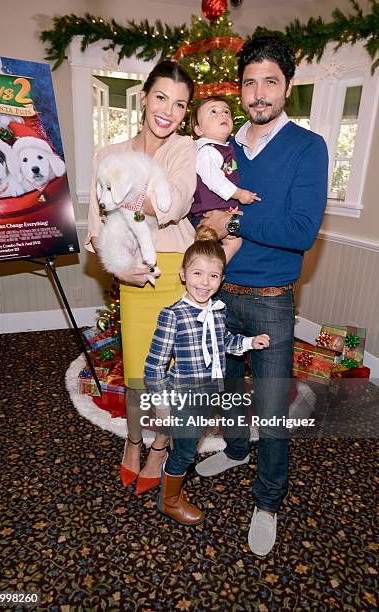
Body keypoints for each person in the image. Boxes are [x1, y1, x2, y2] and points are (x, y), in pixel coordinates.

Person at [197, 36, 329, 556]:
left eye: (270, 81)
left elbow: (299, 231)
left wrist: (233, 218)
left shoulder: (307, 146)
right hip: (222, 294)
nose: (258, 92)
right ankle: (233, 448)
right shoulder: (224, 148)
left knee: (272, 408)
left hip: (273, 299)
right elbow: (197, 201)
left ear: (287, 87)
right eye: (249, 82)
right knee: (228, 386)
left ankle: (269, 500)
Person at [85, 60, 196, 495]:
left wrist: (126, 193)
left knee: (168, 377)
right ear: (145, 97)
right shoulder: (107, 155)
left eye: (180, 104)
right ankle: (134, 443)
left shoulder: (185, 150)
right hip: (133, 274)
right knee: (137, 374)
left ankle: (159, 449)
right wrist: (118, 269)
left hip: (176, 275)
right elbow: (96, 226)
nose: (168, 110)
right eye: (162, 97)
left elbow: (177, 204)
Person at [144, 226, 270, 525]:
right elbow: (154, 366)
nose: (205, 282)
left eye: (213, 276)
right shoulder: (172, 314)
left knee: (189, 444)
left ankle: (171, 485)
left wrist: (250, 343)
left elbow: (225, 342)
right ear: (183, 275)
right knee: (186, 453)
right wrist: (162, 405)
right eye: (197, 274)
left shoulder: (217, 310)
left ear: (221, 279)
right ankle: (169, 500)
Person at [190, 96, 260, 262]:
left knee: (234, 242)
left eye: (226, 112)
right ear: (199, 130)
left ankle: (216, 268)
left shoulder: (226, 148)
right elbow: (213, 180)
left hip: (224, 211)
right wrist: (238, 194)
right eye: (213, 112)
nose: (223, 115)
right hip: (207, 213)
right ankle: (197, 271)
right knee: (204, 246)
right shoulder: (207, 150)